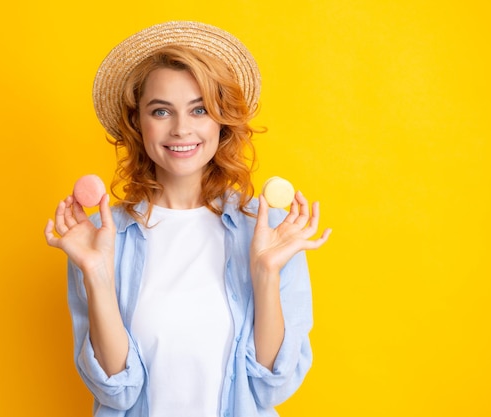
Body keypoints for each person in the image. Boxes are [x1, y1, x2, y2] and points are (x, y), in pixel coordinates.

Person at [45, 21, 331, 417]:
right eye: (161, 110)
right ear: (137, 124)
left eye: (199, 109)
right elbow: (116, 393)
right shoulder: (102, 239)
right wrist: (95, 272)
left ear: (221, 120)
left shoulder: (271, 232)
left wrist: (266, 271)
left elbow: (271, 387)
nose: (181, 129)